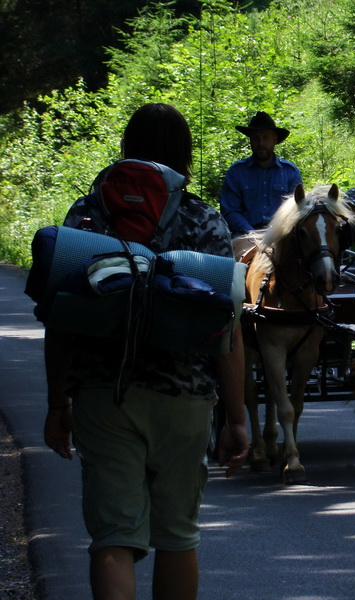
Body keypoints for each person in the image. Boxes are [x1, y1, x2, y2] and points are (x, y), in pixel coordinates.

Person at [42, 103, 250, 600]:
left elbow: (61, 316)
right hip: (185, 397)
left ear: (127, 148)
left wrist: (57, 403)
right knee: (177, 537)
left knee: (114, 537)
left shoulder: (88, 212)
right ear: (185, 154)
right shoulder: (204, 218)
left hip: (103, 392)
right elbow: (227, 326)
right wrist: (237, 416)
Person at [220, 111, 303, 236]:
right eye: (256, 138)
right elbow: (230, 211)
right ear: (250, 140)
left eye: (266, 138)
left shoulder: (290, 172)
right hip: (244, 236)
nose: (261, 144)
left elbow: (296, 209)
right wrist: (252, 233)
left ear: (275, 139)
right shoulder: (237, 172)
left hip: (281, 236)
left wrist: (276, 233)